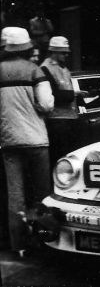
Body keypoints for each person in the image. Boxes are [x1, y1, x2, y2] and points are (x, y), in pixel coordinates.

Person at [0, 27, 54, 256]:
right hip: (36, 140)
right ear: (26, 47)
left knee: (15, 195)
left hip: (9, 140)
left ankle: (19, 246)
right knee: (42, 193)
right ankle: (45, 241)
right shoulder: (35, 70)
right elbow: (47, 105)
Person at [40, 36, 87, 164]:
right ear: (53, 52)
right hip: (57, 120)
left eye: (67, 52)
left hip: (70, 119)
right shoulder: (45, 68)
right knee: (59, 158)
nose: (66, 55)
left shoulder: (64, 69)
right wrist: (75, 94)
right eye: (63, 52)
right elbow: (53, 95)